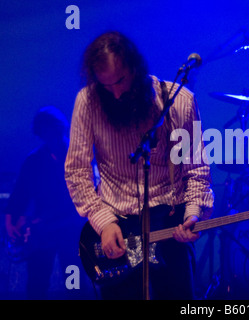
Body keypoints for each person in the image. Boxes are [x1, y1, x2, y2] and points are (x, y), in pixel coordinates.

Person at [65, 31, 214, 300]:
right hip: (117, 227)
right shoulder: (88, 102)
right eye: (106, 86)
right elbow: (77, 172)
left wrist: (192, 214)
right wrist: (103, 222)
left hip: (169, 227)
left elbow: (196, 170)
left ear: (136, 67)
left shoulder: (179, 102)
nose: (117, 93)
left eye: (121, 80)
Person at [4, 106, 87, 299]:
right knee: (37, 283)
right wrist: (11, 222)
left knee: (73, 282)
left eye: (53, 132)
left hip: (71, 231)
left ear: (61, 129)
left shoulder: (78, 155)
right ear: (40, 134)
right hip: (43, 232)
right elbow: (20, 194)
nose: (50, 137)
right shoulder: (34, 160)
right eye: (45, 133)